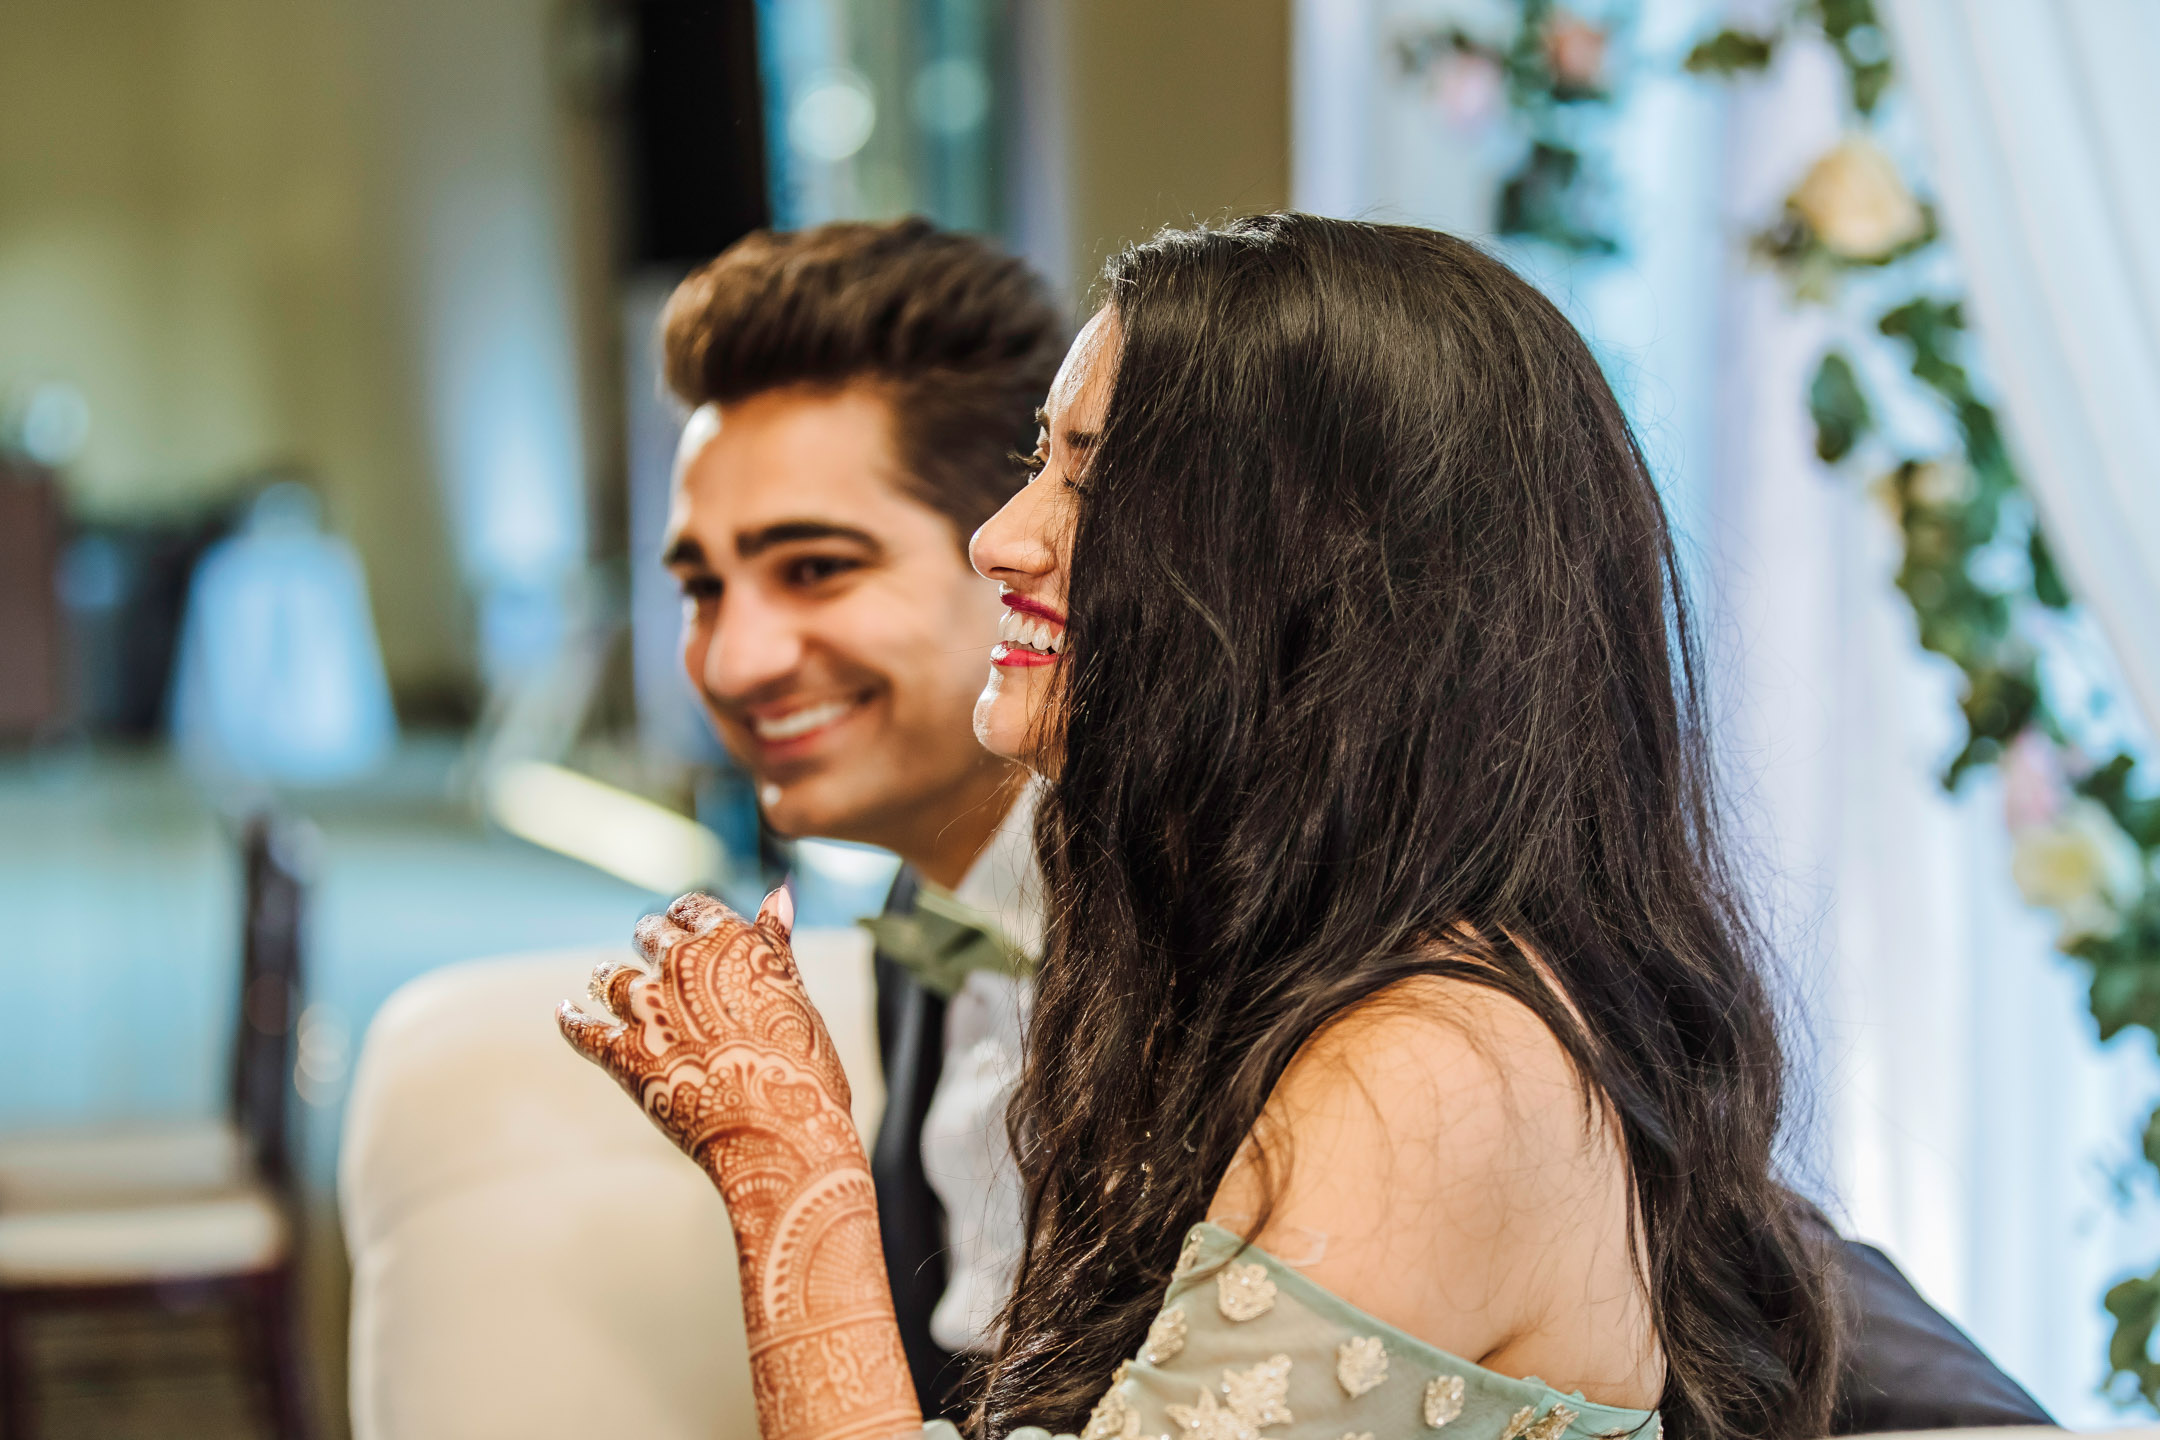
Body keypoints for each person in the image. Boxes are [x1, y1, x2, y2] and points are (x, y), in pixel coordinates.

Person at [572, 214, 2050, 1438]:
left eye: (1089, 480)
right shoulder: (1246, 965)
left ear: (1297, 573)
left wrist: (787, 1166)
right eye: (1038, 462)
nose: (1001, 540)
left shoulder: (1438, 1066)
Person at [647, 218, 1066, 1419]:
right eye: (701, 586)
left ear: (1020, 550)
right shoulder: (919, 908)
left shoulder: (1212, 951)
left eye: (815, 567)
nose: (736, 657)